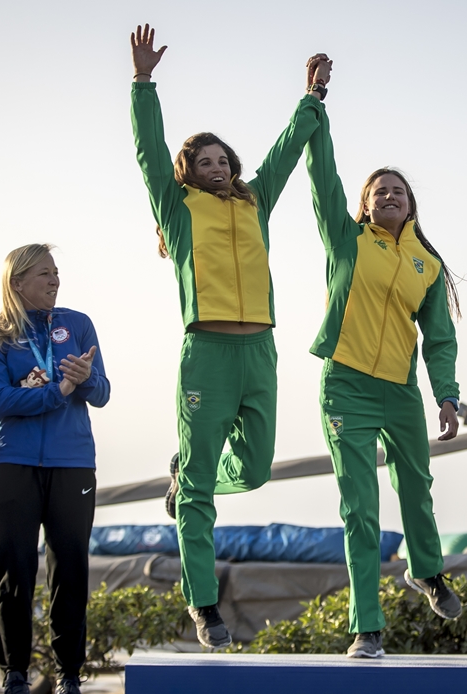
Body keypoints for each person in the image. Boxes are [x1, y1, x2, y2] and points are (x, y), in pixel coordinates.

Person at [128, 24, 327, 648]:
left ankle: (187, 474)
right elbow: (149, 150)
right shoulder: (176, 206)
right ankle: (204, 606)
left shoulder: (254, 202)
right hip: (207, 354)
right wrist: (142, 84)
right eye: (204, 162)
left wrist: (312, 98)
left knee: (258, 467)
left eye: (223, 161)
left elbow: (288, 152)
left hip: (258, 350)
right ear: (188, 172)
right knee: (198, 497)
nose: (216, 168)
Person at [303, 65, 463, 660]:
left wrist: (445, 394)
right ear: (365, 204)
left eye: (398, 189)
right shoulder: (346, 240)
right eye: (379, 190)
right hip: (345, 384)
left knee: (416, 485)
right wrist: (315, 103)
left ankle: (428, 571)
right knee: (360, 508)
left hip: (400, 390)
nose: (389, 195)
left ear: (410, 203)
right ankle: (366, 627)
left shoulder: (427, 262)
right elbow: (322, 174)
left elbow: (440, 338)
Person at [0, 243, 108, 694]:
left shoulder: (79, 324)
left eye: (56, 273)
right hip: (14, 464)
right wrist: (60, 390)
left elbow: (104, 392)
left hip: (73, 462)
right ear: (17, 282)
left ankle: (68, 680)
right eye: (44, 274)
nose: (55, 281)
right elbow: (1, 402)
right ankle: (14, 679)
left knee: (70, 572)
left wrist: (85, 379)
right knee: (15, 574)